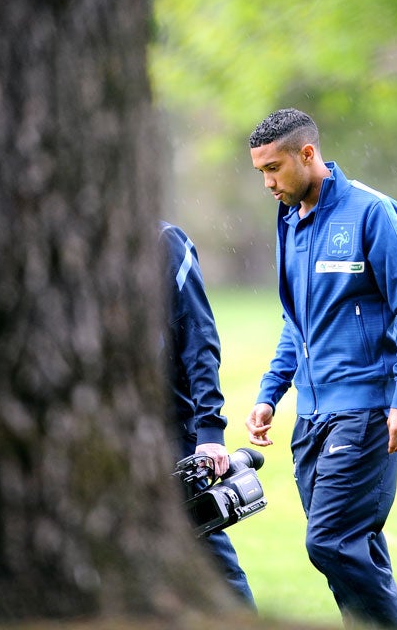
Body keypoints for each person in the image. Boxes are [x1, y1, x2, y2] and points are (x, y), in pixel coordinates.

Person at [244, 109, 397, 629]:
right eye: (260, 172)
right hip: (310, 421)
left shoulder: (371, 212)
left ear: (308, 154)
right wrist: (270, 393)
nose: (268, 183)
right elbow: (297, 322)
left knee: (330, 541)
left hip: (366, 413)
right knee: (351, 556)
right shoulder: (289, 222)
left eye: (274, 168)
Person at [159, 221, 256, 608]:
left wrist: (210, 432)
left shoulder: (163, 241)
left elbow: (199, 340)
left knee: (208, 551)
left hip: (172, 431)